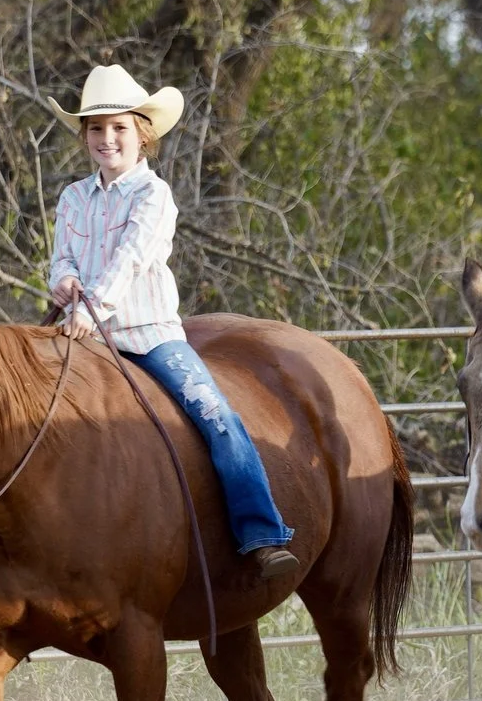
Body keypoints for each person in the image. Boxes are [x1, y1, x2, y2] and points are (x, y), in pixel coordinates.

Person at [46, 65, 299, 580]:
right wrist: (65, 282)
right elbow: (62, 257)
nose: (107, 138)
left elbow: (132, 259)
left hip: (147, 336)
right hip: (83, 335)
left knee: (217, 416)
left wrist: (91, 308)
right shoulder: (73, 197)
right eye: (96, 129)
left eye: (119, 128)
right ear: (85, 137)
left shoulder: (152, 195)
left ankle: (261, 532)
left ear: (143, 134)